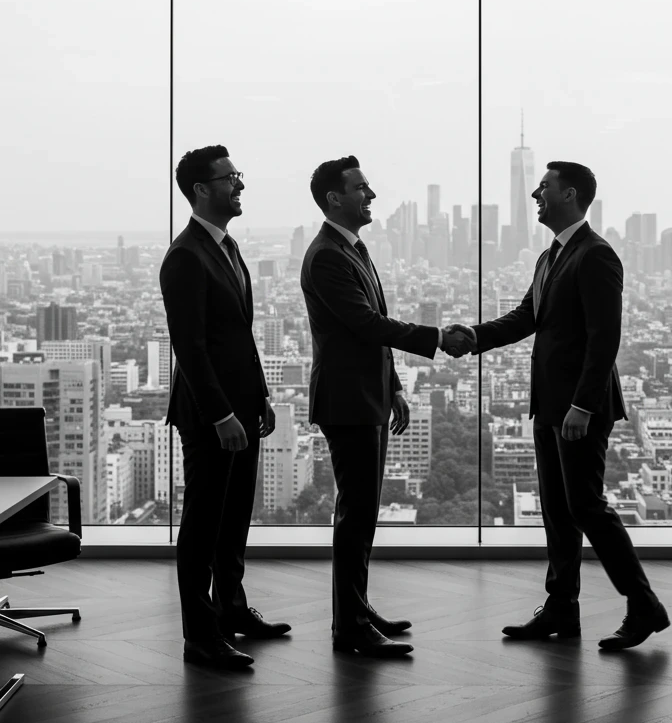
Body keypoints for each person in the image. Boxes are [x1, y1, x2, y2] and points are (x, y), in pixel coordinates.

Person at [446, 161, 669, 650]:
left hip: (577, 410)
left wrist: (585, 406)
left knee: (587, 506)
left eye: (543, 187)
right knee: (556, 510)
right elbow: (528, 316)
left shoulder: (596, 255)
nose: (535, 195)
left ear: (569, 194)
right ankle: (561, 608)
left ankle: (644, 604)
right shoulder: (551, 257)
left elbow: (604, 337)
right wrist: (475, 336)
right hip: (549, 405)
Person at [301, 156, 469, 658]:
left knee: (363, 514)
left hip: (367, 396)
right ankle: (349, 625)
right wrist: (438, 337)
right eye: (361, 188)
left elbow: (374, 323)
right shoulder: (328, 255)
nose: (371, 195)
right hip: (348, 402)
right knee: (355, 515)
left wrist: (393, 383)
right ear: (335, 198)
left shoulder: (352, 248)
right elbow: (366, 325)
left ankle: (357, 608)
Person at [160, 145, 291, 671]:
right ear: (201, 190)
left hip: (241, 408)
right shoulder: (186, 256)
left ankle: (232, 609)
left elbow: (239, 336)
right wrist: (220, 415)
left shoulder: (228, 248)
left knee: (234, 517)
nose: (239, 185)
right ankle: (200, 636)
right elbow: (189, 348)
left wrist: (258, 395)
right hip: (211, 415)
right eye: (229, 177)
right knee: (202, 523)